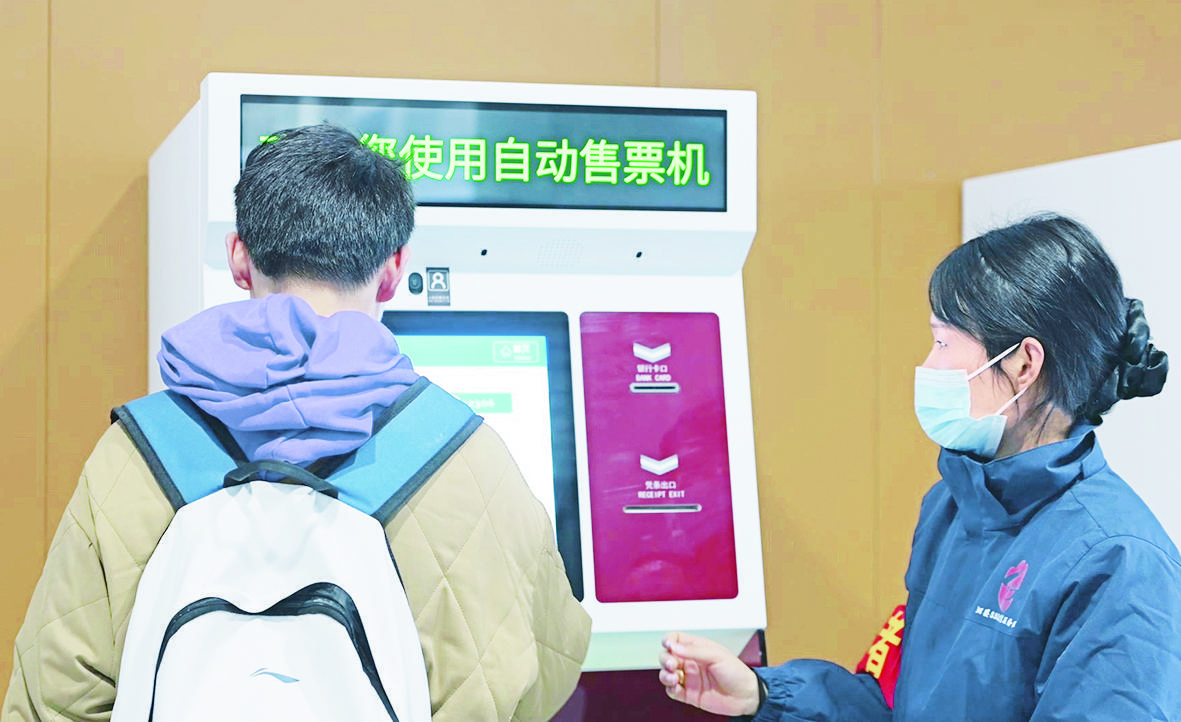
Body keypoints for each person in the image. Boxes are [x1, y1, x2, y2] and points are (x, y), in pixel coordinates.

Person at [2, 123, 591, 721]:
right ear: (394, 268)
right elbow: (541, 670)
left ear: (239, 258)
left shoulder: (133, 456)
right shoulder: (469, 459)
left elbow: (54, 697)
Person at [659, 214, 1181, 720]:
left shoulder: (1118, 562)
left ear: (1024, 364)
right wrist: (764, 695)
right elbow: (905, 705)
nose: (929, 366)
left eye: (943, 342)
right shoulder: (955, 506)